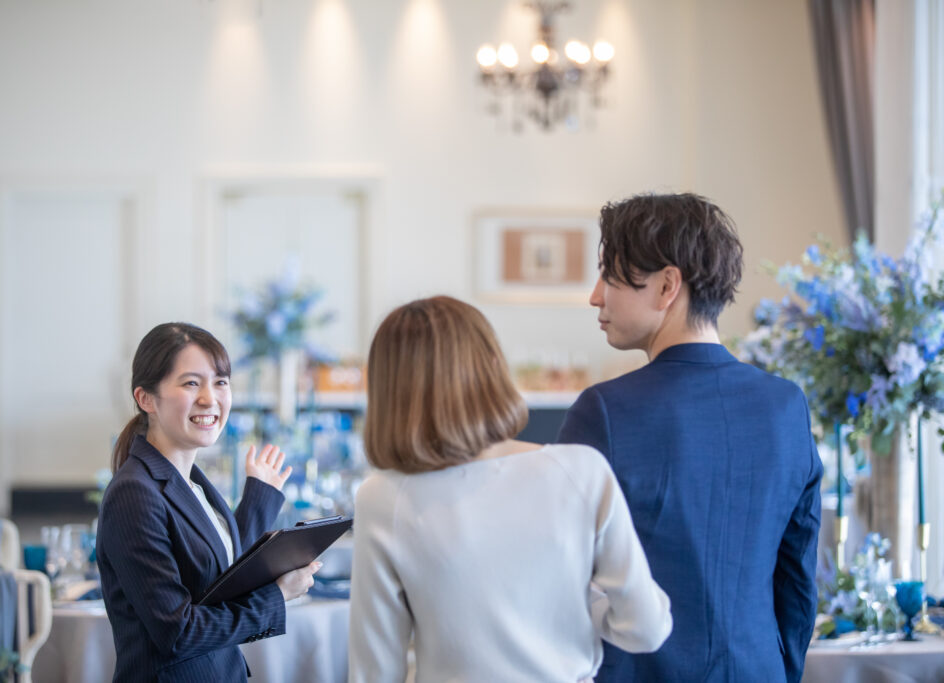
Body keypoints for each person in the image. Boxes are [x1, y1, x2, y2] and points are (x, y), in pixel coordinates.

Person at [556, 193, 823, 682]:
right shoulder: (787, 407)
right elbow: (798, 577)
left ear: (666, 285)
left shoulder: (604, 412)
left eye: (609, 275)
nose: (596, 296)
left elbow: (558, 574)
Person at [348, 296, 671, 682]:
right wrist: (584, 602)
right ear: (492, 366)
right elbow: (645, 629)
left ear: (388, 391)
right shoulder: (581, 470)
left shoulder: (382, 497)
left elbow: (375, 671)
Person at [96, 322, 321, 682]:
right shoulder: (134, 493)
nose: (210, 398)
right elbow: (179, 633)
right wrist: (277, 596)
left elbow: (221, 583)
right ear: (146, 398)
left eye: (220, 382)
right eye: (191, 383)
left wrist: (258, 499)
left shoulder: (194, 483)